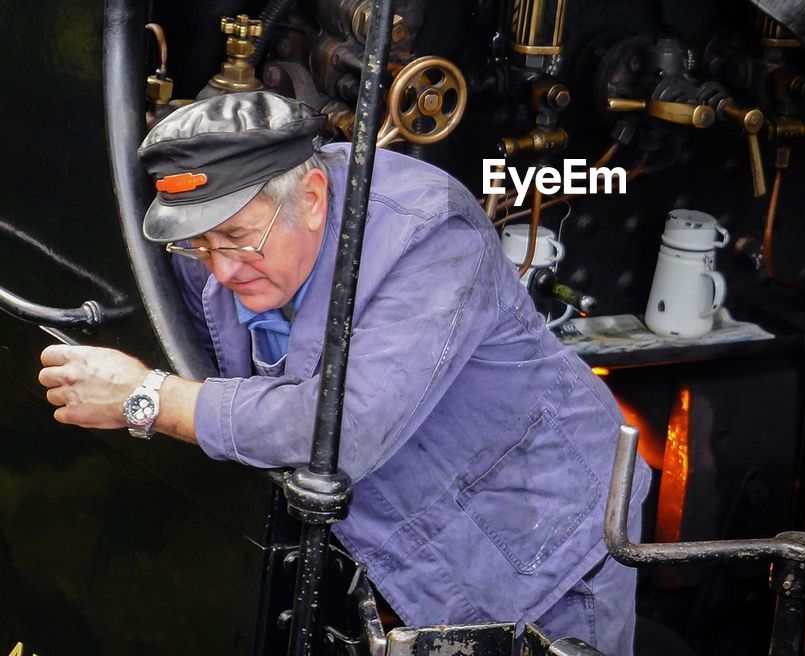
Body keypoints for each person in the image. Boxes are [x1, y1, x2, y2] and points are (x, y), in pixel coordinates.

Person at [37, 90, 648, 654]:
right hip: (405, 555)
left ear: (311, 199)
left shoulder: (429, 236)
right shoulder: (227, 229)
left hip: (545, 548)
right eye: (201, 246)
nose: (219, 270)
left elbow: (338, 430)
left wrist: (148, 399)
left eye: (237, 241)